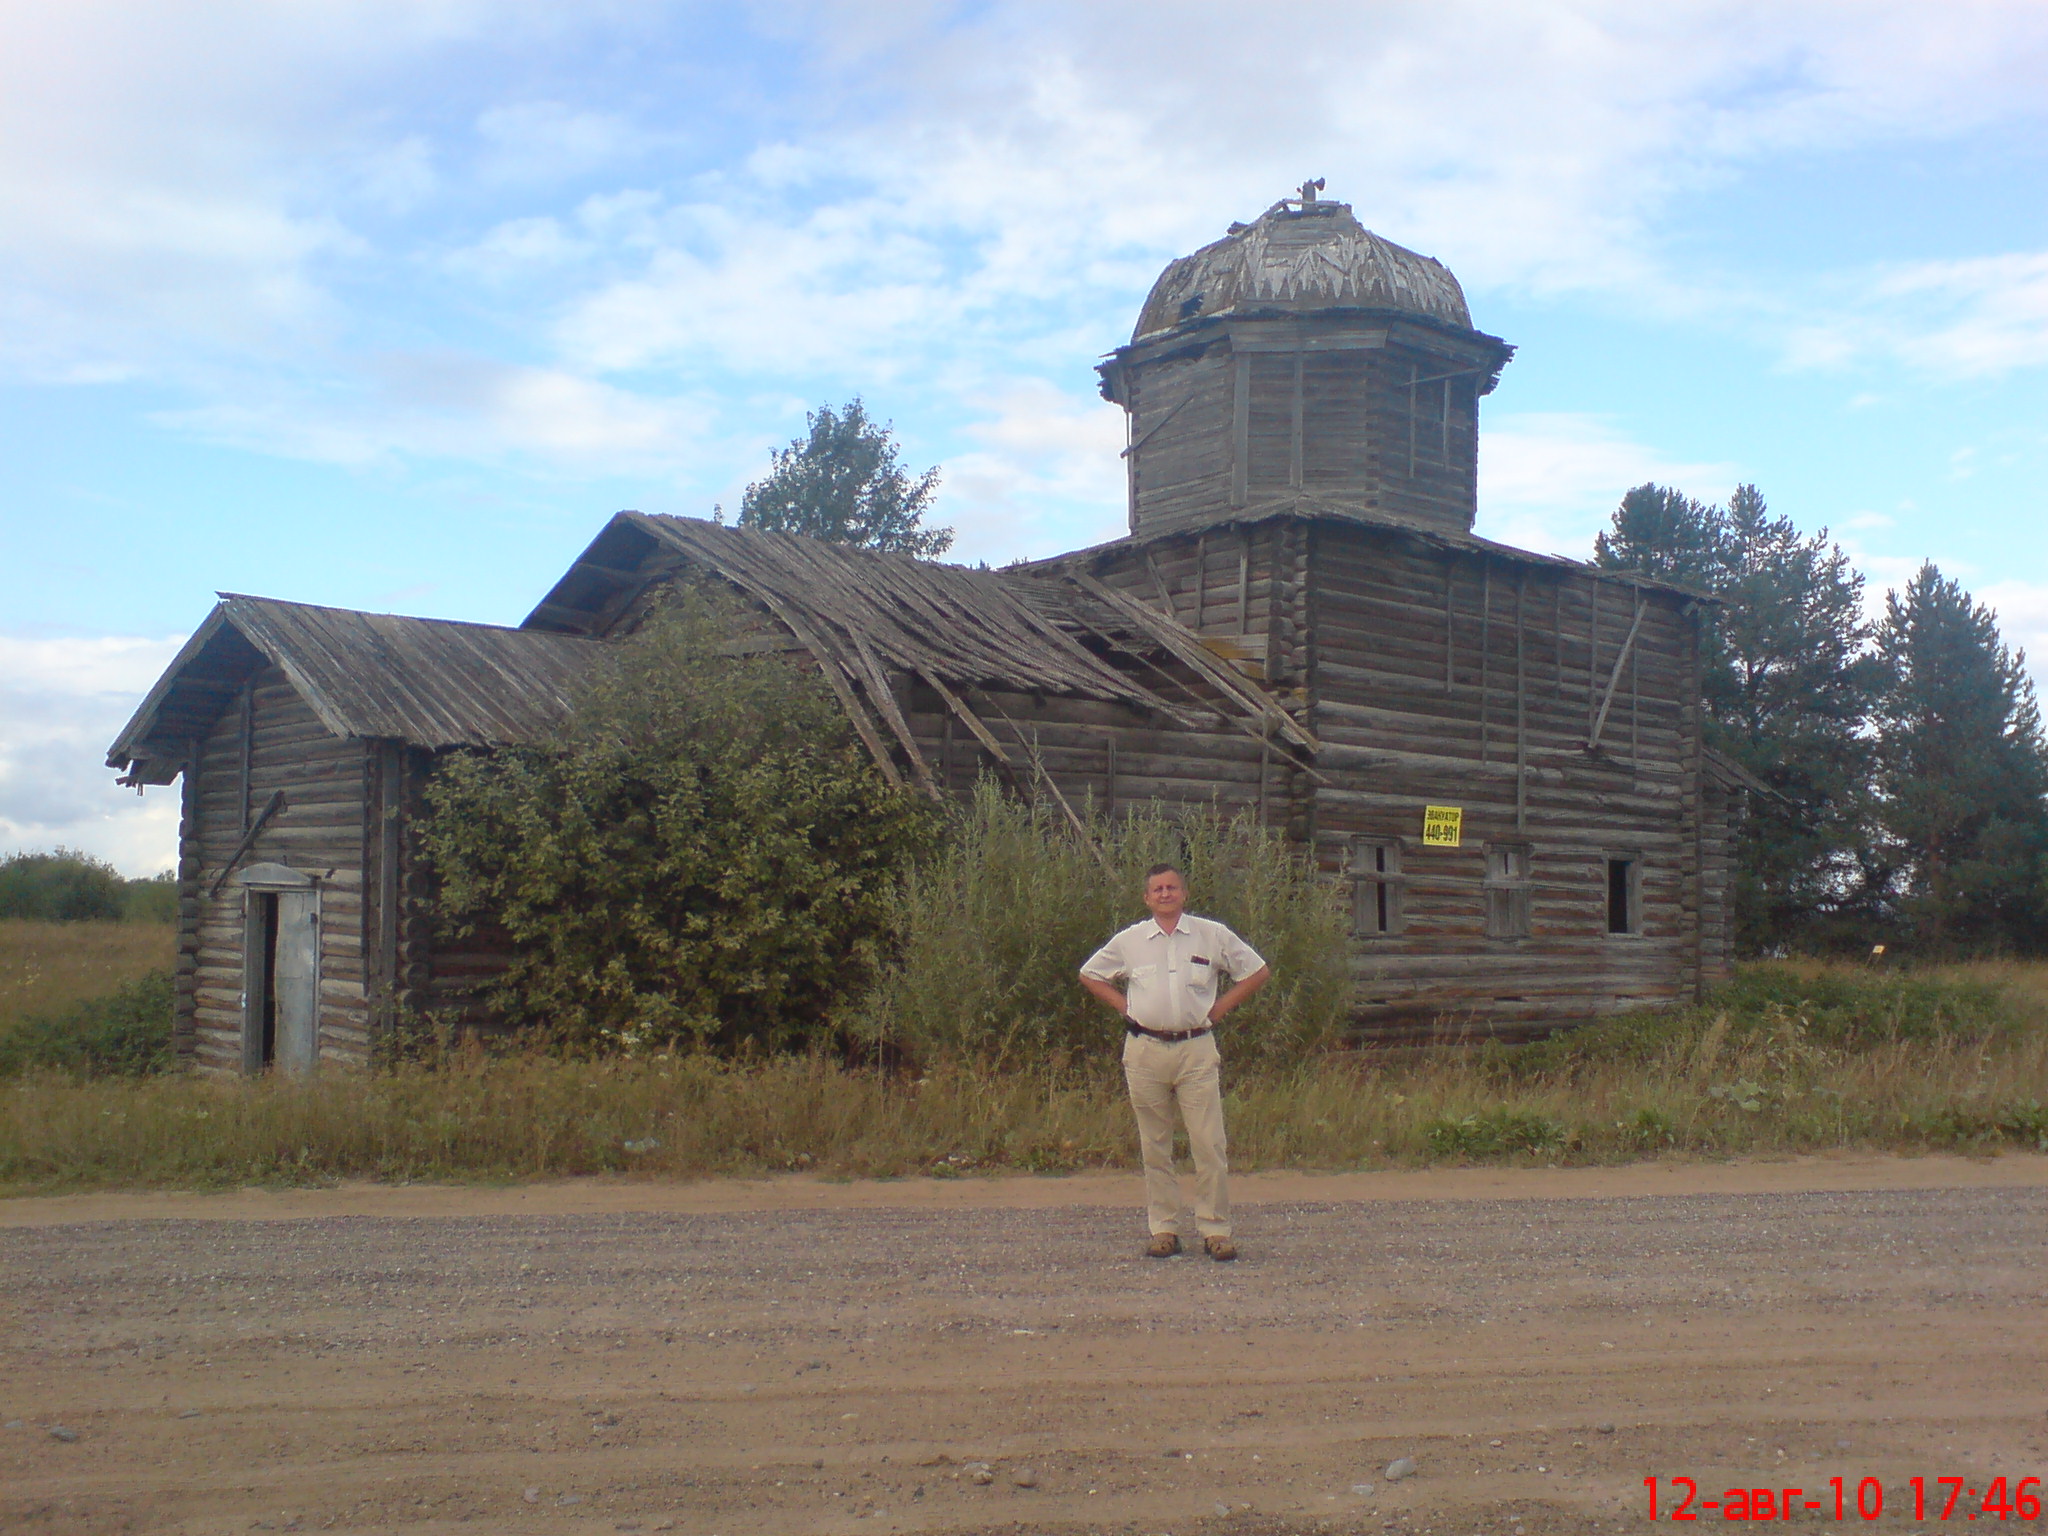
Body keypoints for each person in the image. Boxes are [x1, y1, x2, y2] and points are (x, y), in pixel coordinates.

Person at [1079, 864, 1270, 1261]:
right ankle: (1164, 1229)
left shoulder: (1211, 934)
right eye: (1158, 889)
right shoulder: (1130, 940)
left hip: (1195, 1049)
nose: (1165, 894)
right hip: (1145, 1050)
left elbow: (1256, 971)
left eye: (1172, 887)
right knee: (1154, 1145)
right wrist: (1125, 1007)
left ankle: (1215, 1231)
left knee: (1209, 1143)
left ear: (1184, 893)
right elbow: (1090, 974)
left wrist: (1218, 1010)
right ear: (1147, 898)